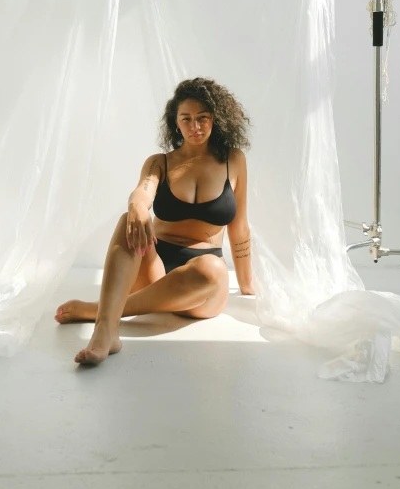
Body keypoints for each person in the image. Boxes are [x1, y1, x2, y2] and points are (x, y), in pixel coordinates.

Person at [55, 77, 254, 366]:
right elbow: (142, 191)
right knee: (128, 220)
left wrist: (247, 284)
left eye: (203, 118)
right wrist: (137, 207)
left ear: (216, 119)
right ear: (176, 122)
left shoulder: (233, 160)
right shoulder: (159, 162)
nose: (195, 126)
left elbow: (240, 226)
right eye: (186, 119)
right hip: (153, 271)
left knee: (212, 269)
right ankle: (105, 332)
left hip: (200, 286)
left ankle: (100, 311)